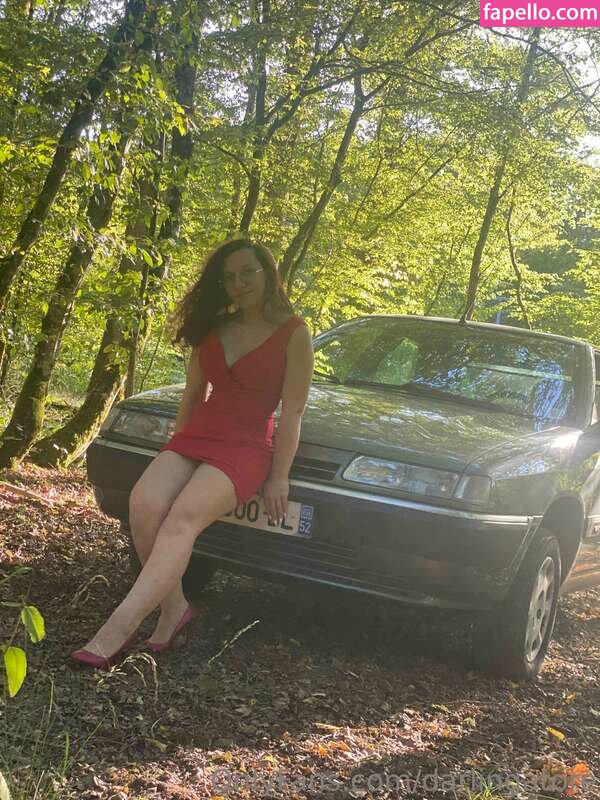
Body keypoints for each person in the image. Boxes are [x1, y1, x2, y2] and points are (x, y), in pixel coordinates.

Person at [71, 237, 314, 668]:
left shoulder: (295, 333)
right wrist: (175, 450)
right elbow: (192, 396)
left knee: (182, 519)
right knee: (144, 503)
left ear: (269, 273)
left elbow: (293, 412)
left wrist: (279, 476)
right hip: (198, 433)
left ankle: (115, 631)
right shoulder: (212, 327)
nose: (239, 283)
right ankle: (175, 609)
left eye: (248, 272)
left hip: (246, 445)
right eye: (230, 278)